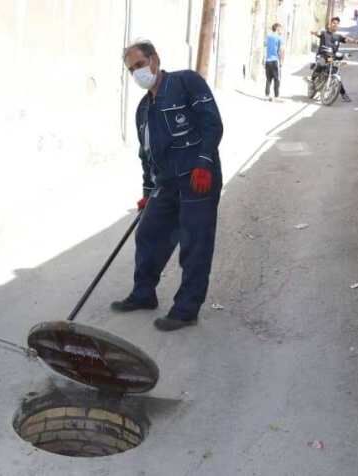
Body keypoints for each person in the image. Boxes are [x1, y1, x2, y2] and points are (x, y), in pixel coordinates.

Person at [112, 40, 223, 332]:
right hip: (166, 182)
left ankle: (186, 309)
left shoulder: (186, 82)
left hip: (198, 176)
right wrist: (147, 193)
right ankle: (143, 293)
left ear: (155, 59)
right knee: (149, 232)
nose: (137, 72)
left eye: (139, 64)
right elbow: (146, 156)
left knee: (194, 243)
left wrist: (203, 162)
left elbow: (212, 123)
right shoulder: (142, 111)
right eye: (131, 69)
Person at [310, 17, 358, 102]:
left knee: (335, 74)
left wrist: (357, 41)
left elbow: (347, 39)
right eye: (333, 23)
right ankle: (312, 81)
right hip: (322, 55)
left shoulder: (338, 37)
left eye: (337, 24)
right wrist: (314, 32)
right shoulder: (324, 34)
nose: (335, 25)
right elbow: (318, 33)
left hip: (331, 58)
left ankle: (343, 94)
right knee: (320, 63)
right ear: (330, 24)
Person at [264, 23, 285, 101]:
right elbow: (281, 50)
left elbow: (265, 46)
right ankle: (276, 96)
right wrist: (282, 61)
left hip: (267, 60)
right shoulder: (279, 38)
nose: (281, 31)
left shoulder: (268, 36)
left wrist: (264, 59)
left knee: (268, 78)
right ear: (277, 29)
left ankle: (267, 95)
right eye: (280, 29)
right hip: (275, 60)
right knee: (277, 79)